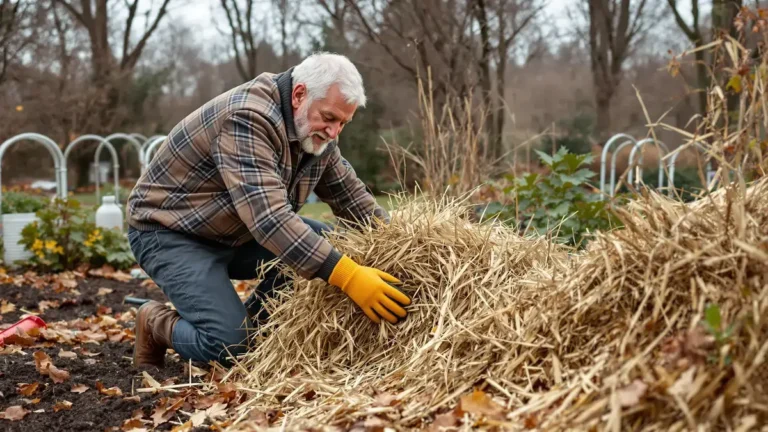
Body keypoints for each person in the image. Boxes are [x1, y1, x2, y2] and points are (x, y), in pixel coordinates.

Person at [126, 53, 412, 368]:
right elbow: (270, 221)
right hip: (171, 234)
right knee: (228, 347)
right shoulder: (248, 118)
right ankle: (155, 322)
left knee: (336, 245)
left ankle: (250, 329)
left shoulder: (314, 134)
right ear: (300, 94)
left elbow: (352, 198)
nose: (334, 133)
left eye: (343, 123)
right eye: (329, 118)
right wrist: (349, 276)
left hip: (233, 231)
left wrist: (401, 247)